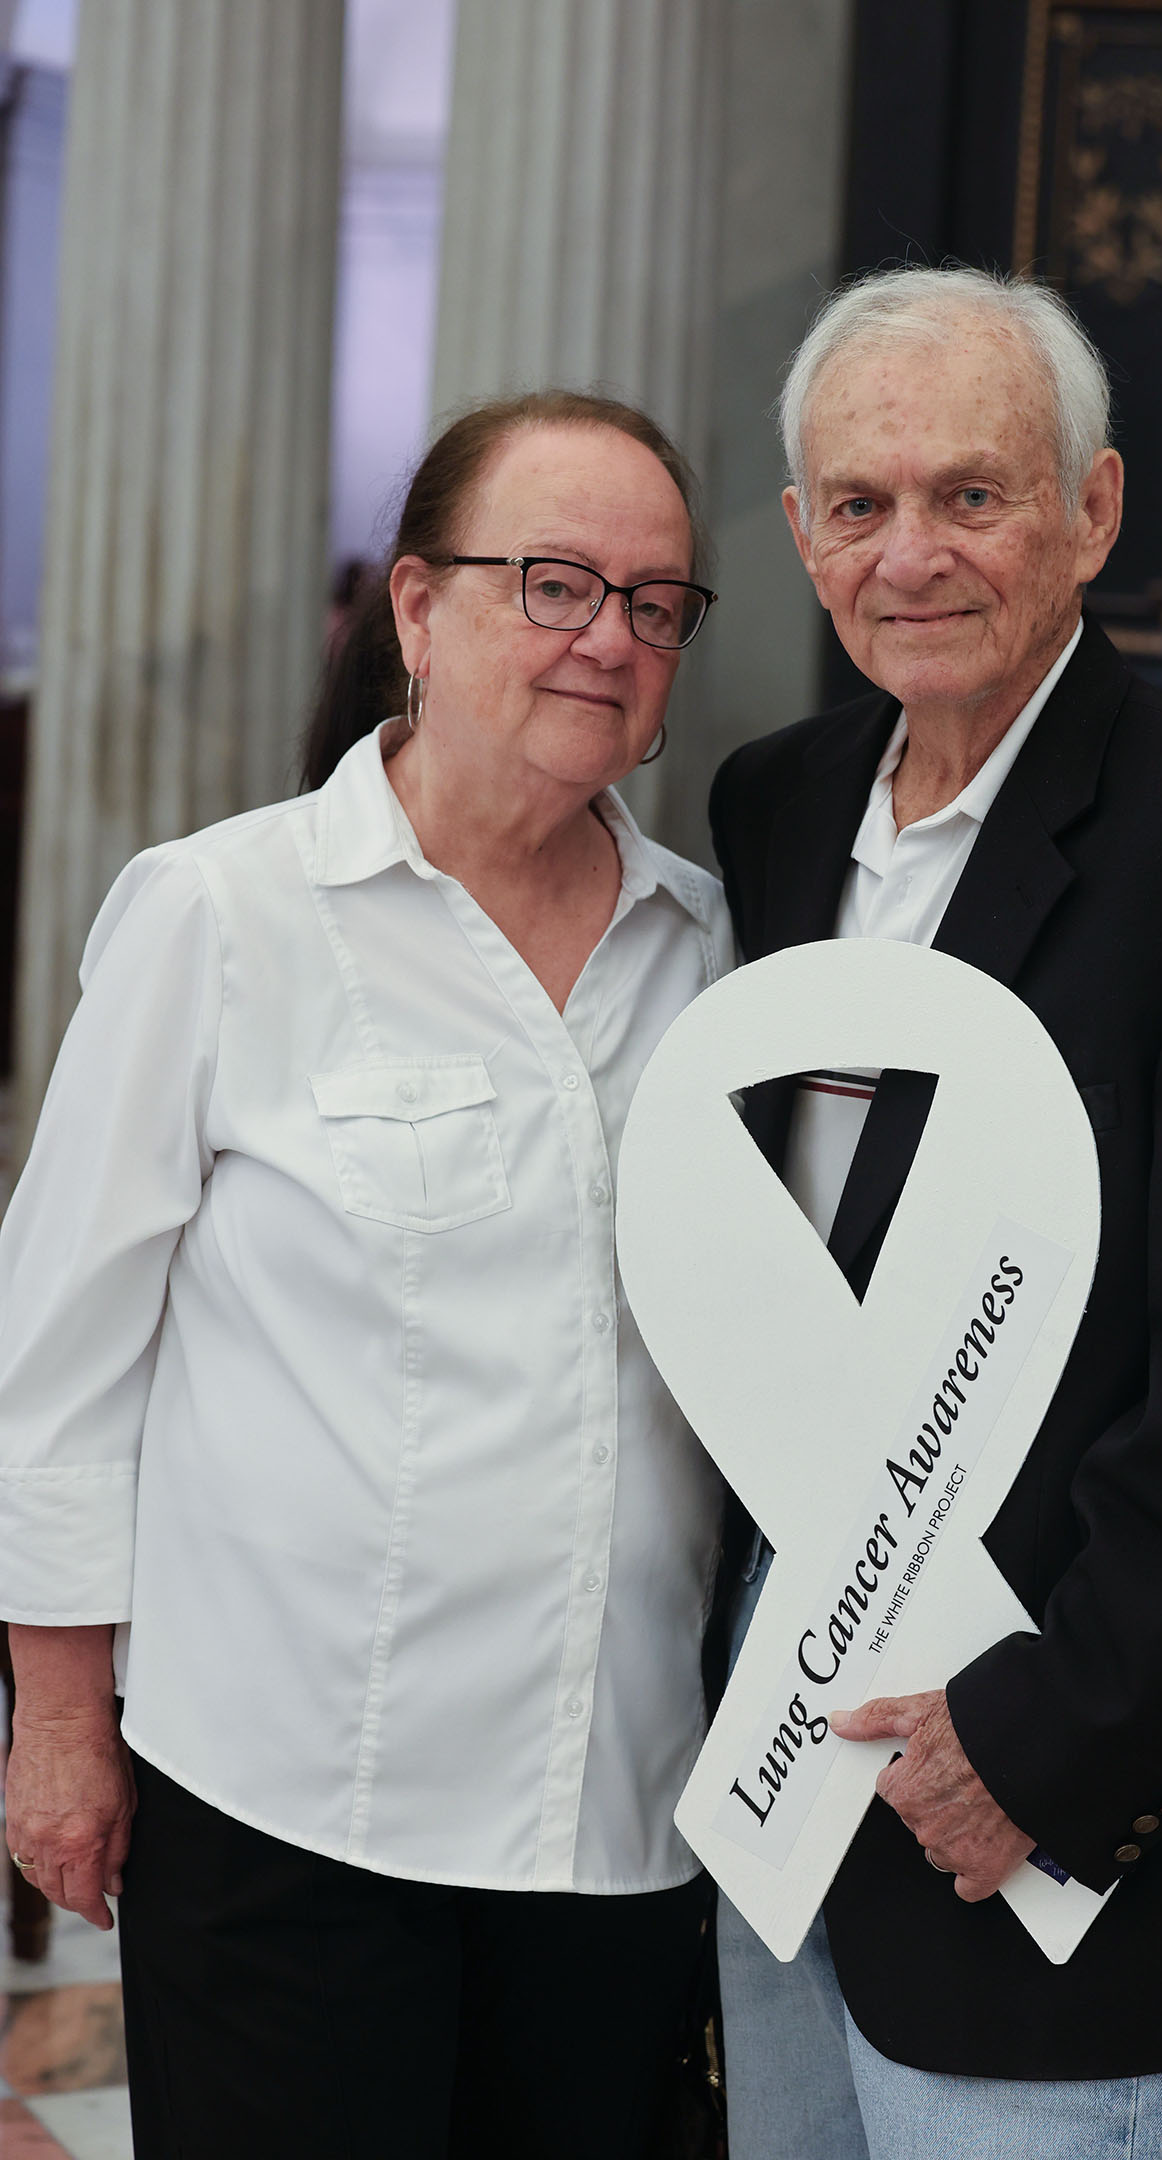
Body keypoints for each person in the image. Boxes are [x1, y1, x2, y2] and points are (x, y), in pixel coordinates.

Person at [707, 266, 1162, 2160]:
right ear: (802, 537)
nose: (910, 553)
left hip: (1046, 1818)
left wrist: (1037, 1749)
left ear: (1091, 512)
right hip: (774, 1794)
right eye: (861, 504)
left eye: (972, 494)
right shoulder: (773, 812)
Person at [0, 390, 730, 2159]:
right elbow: (60, 1363)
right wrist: (62, 1725)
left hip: (620, 1823)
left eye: (654, 605)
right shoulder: (221, 913)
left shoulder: (714, 950)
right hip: (288, 1813)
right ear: (416, 605)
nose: (608, 637)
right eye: (554, 583)